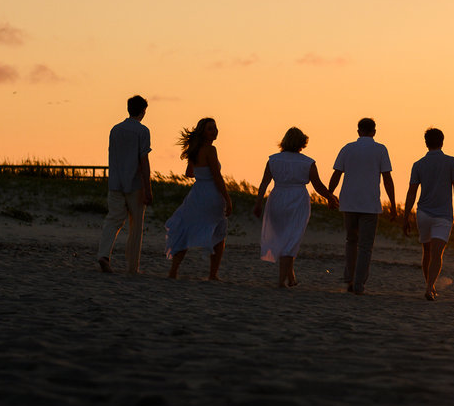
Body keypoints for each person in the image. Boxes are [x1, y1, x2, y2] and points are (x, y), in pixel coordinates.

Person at [253, 127, 338, 288]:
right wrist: (331, 197)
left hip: (277, 198)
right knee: (291, 240)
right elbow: (318, 185)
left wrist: (258, 203)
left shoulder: (273, 160)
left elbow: (264, 183)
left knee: (285, 239)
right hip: (298, 199)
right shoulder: (308, 162)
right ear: (302, 143)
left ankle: (291, 278)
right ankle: (281, 281)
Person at [327, 117, 396, 295]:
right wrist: (393, 204)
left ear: (358, 131)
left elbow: (337, 174)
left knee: (351, 241)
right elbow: (387, 178)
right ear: (374, 131)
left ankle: (350, 279)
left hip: (349, 202)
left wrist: (329, 195)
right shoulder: (380, 150)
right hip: (370, 204)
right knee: (365, 246)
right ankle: (359, 283)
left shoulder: (347, 148)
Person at [164, 117, 234, 280]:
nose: (214, 131)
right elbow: (217, 177)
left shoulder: (195, 149)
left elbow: (189, 173)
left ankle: (173, 271)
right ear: (203, 132)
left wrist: (201, 174)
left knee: (185, 229)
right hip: (211, 194)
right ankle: (212, 274)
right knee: (218, 231)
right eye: (210, 128)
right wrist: (227, 199)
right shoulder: (211, 149)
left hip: (197, 194)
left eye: (215, 128)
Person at [402, 127, 454, 301]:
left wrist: (406, 215)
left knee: (427, 252)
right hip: (443, 214)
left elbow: (411, 192)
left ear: (426, 143)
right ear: (442, 142)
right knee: (437, 253)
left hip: (423, 213)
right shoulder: (452, 162)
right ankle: (430, 287)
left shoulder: (419, 164)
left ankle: (429, 286)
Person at [98, 95, 153, 275]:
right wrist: (148, 188)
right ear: (143, 111)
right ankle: (132, 267)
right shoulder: (143, 131)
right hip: (135, 184)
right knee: (136, 226)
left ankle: (104, 254)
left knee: (113, 219)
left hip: (115, 181)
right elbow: (143, 161)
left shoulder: (115, 129)